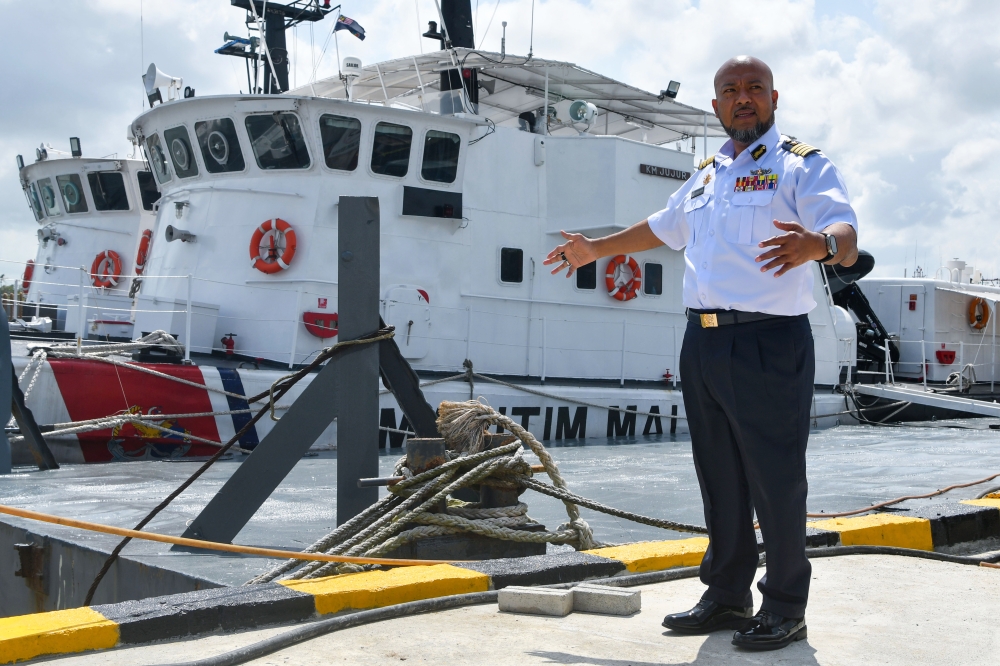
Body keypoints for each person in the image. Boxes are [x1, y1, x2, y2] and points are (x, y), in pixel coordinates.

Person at [544, 55, 858, 652]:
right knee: (719, 474)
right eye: (730, 91)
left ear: (772, 98)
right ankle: (727, 594)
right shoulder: (709, 175)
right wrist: (596, 249)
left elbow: (845, 235)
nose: (743, 98)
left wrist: (818, 244)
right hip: (704, 341)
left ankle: (786, 605)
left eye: (754, 89)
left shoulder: (801, 166)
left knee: (776, 479)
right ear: (716, 106)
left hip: (769, 340)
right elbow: (663, 228)